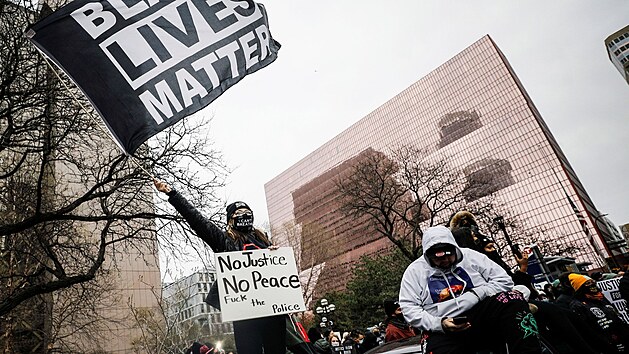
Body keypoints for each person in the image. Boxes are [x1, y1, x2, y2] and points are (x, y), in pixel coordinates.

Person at [154, 180, 285, 354]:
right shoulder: (224, 241)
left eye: (247, 212)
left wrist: (275, 255)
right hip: (245, 314)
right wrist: (172, 194)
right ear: (230, 219)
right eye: (239, 212)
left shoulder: (263, 240)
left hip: (272, 314)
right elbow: (197, 220)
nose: (244, 215)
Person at [399, 225, 541, 354]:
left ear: (455, 249)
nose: (445, 261)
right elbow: (409, 308)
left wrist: (477, 293)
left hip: (479, 313)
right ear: (429, 257)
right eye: (438, 260)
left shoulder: (471, 257)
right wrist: (439, 324)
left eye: (448, 256)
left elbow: (504, 281)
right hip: (442, 326)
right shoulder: (414, 272)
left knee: (512, 298)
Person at [566, 273, 629, 353]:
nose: (592, 285)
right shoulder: (578, 305)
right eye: (588, 283)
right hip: (607, 346)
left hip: (623, 338)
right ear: (580, 287)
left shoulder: (601, 298)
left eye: (593, 282)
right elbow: (587, 330)